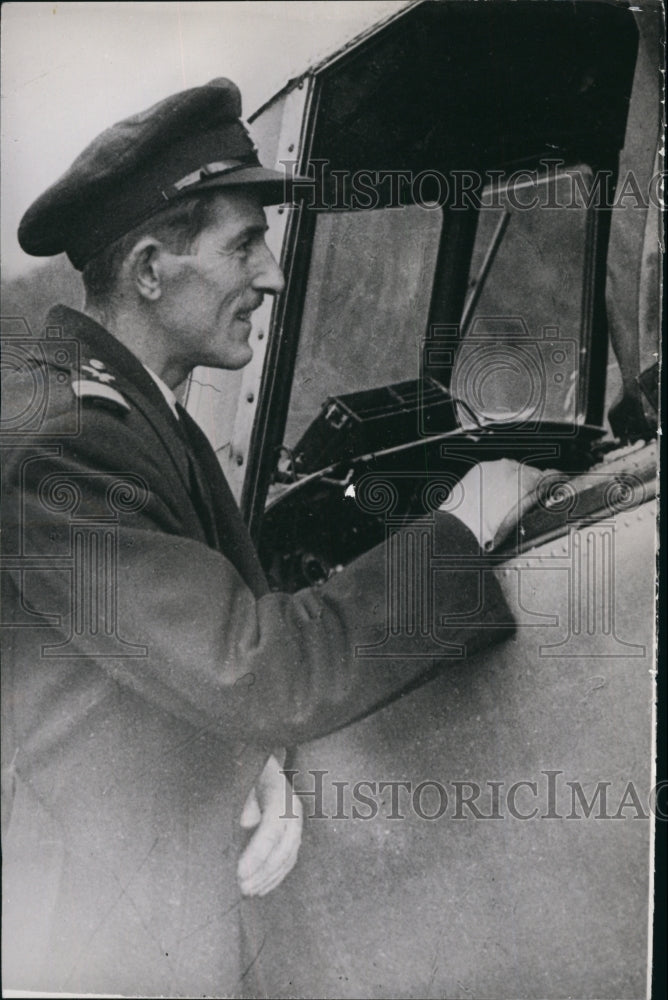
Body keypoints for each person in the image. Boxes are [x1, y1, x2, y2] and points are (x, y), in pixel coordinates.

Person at [1, 78, 535, 997]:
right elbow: (252, 667)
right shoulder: (68, 442)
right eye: (244, 245)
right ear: (150, 271)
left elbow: (137, 678)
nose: (273, 276)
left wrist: (241, 761)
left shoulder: (130, 411)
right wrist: (467, 526)